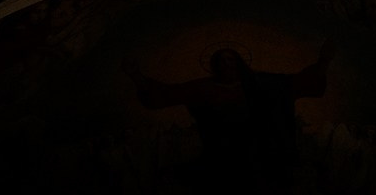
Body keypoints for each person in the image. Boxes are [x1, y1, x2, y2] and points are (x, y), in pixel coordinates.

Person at [133, 45, 330, 181]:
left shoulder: (261, 83)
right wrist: (137, 77)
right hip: (220, 153)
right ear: (214, 65)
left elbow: (296, 83)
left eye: (231, 60)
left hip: (259, 152)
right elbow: (166, 94)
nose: (227, 64)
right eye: (221, 61)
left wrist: (323, 62)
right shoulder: (202, 88)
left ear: (239, 63)